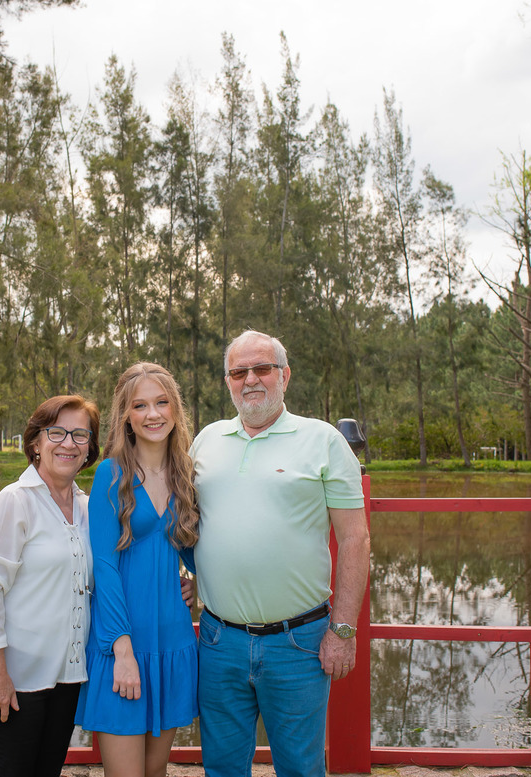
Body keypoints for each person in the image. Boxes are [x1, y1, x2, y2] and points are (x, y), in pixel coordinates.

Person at [190, 331, 371, 777]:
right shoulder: (205, 441)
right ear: (228, 381)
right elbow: (180, 521)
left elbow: (355, 540)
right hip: (218, 639)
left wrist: (343, 630)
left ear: (284, 376)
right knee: (223, 766)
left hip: (299, 643)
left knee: (300, 768)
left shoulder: (324, 441)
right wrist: (181, 574)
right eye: (238, 372)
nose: (250, 379)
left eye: (262, 369)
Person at [75, 362, 200, 777]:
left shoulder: (186, 474)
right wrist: (122, 651)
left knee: (155, 772)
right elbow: (105, 568)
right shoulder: (112, 474)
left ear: (176, 410)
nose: (153, 414)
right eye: (140, 405)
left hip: (172, 641)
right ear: (126, 415)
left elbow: (190, 550)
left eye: (162, 402)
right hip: (123, 644)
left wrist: (194, 582)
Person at [0, 395, 101, 777]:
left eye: (81, 435)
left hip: (66, 677)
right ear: (35, 443)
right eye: (57, 432)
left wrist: (180, 585)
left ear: (90, 447)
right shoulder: (15, 502)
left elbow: (107, 574)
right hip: (15, 680)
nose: (69, 443)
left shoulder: (89, 509)